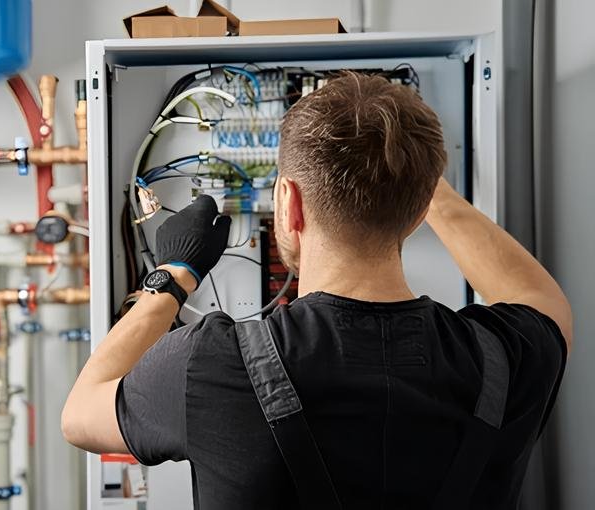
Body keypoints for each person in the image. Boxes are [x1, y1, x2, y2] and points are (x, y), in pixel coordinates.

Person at [61, 72, 571, 509]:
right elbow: (540, 298)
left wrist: (170, 279)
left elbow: (79, 416)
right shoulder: (506, 359)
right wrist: (418, 183)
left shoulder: (215, 366)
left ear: (289, 203)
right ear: (418, 215)